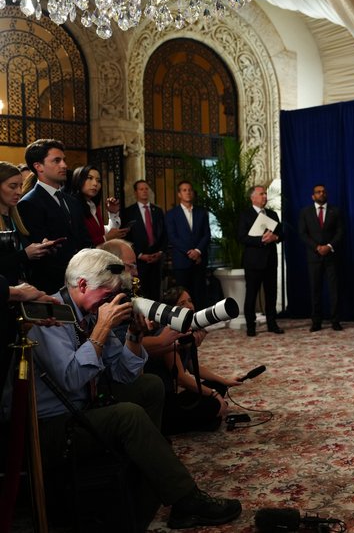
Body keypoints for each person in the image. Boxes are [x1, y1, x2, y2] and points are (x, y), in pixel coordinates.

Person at [0, 248, 241, 528]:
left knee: (149, 386)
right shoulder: (48, 316)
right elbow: (70, 379)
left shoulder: (90, 315)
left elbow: (125, 374)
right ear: (82, 285)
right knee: (128, 415)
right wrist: (102, 329)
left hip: (80, 407)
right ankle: (186, 500)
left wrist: (134, 335)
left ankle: (144, 468)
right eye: (107, 294)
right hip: (44, 426)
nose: (113, 302)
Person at [143, 286, 241, 434]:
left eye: (189, 301)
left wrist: (225, 380)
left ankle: (205, 418)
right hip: (163, 401)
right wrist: (213, 394)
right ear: (170, 310)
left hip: (174, 394)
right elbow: (181, 378)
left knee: (218, 385)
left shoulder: (185, 328)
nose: (189, 306)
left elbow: (193, 368)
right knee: (212, 403)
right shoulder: (167, 333)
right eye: (181, 304)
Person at [17, 139, 92, 293]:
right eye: (57, 161)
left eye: (64, 160)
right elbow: (41, 255)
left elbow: (84, 238)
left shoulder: (72, 201)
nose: (64, 165)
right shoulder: (29, 203)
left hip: (82, 280)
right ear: (38, 166)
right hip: (52, 287)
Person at [0, 162, 58, 285]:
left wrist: (41, 248)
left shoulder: (15, 218)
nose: (19, 192)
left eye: (20, 186)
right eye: (13, 186)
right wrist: (25, 254)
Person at [298, 184, 345, 332]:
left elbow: (340, 232)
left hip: (331, 256)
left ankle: (335, 321)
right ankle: (316, 321)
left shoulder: (335, 211)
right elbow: (302, 233)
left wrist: (329, 246)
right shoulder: (305, 212)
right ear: (313, 196)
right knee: (315, 289)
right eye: (318, 192)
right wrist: (317, 247)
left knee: (334, 290)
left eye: (324, 191)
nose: (321, 194)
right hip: (314, 256)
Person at [238, 185, 284, 336]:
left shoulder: (272, 214)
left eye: (265, 194)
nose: (265, 196)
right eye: (261, 194)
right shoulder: (245, 215)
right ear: (253, 197)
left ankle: (272, 323)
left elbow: (281, 234)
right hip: (253, 262)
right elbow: (242, 237)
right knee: (251, 294)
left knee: (271, 294)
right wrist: (262, 240)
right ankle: (251, 326)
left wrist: (275, 237)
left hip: (270, 261)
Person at [166, 180, 210, 309]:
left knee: (199, 294)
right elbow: (172, 237)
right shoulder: (171, 214)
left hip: (199, 260)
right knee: (183, 295)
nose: (188, 192)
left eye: (190, 190)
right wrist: (190, 252)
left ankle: (200, 324)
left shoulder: (201, 213)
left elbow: (206, 234)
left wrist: (198, 251)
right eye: (184, 190)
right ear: (179, 194)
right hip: (181, 261)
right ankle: (185, 325)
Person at [122, 180, 167, 301]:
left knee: (155, 293)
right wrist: (140, 255)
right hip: (139, 261)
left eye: (146, 188)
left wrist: (160, 252)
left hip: (156, 259)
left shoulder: (157, 211)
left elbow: (164, 233)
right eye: (141, 189)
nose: (144, 191)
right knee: (140, 292)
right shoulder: (128, 212)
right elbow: (127, 238)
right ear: (136, 192)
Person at [66, 165, 129, 247]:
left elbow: (102, 232)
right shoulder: (72, 207)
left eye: (98, 180)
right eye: (90, 178)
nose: (95, 184)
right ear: (78, 180)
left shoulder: (93, 205)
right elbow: (80, 244)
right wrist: (106, 237)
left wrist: (113, 213)